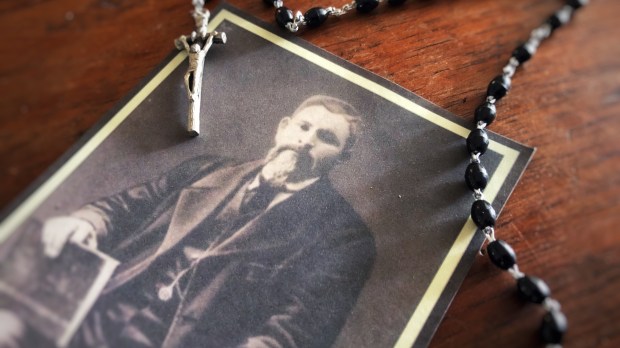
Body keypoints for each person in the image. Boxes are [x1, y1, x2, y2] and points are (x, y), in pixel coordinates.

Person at [25, 95, 376, 347]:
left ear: (341, 159)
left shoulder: (343, 236)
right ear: (283, 128)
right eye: (303, 126)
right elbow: (130, 205)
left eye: (326, 138)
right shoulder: (207, 169)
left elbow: (297, 330)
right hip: (102, 310)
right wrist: (88, 221)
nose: (306, 141)